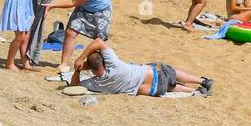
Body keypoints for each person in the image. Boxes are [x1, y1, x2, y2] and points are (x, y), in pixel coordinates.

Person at [72, 38, 212, 97]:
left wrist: (78, 70)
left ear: (90, 69)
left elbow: (74, 85)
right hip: (155, 73)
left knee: (169, 87)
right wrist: (81, 57)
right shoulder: (115, 64)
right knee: (171, 73)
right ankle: (202, 81)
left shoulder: (96, 84)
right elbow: (98, 42)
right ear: (104, 61)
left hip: (154, 89)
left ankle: (195, 91)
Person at [45, 0, 114, 78]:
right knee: (70, 32)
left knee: (99, 40)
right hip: (84, 7)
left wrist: (52, 6)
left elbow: (73, 3)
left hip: (100, 11)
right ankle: (64, 64)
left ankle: (103, 67)